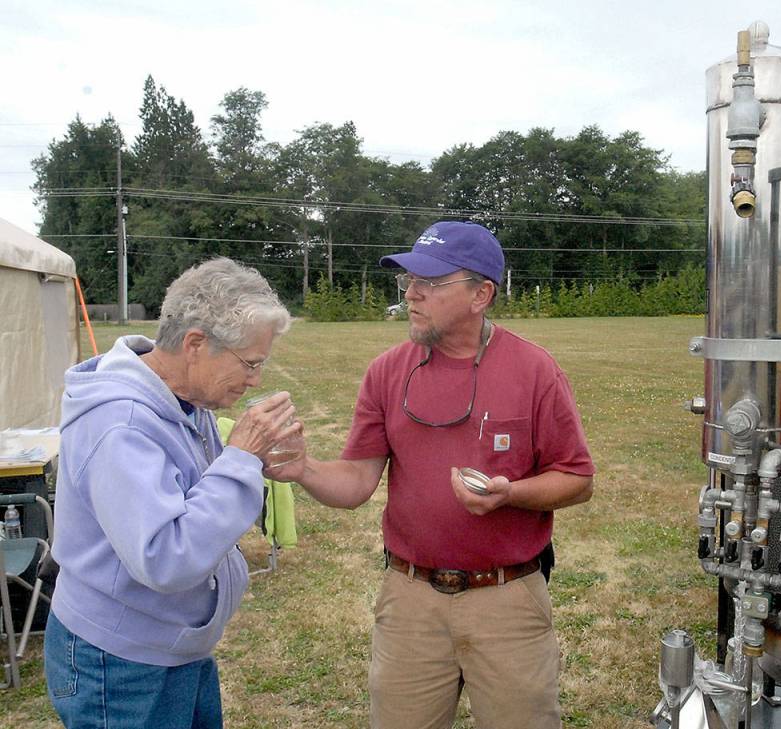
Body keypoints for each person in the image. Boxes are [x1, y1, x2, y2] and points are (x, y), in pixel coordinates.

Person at [277, 221, 595, 729]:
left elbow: (577, 478)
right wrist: (304, 469)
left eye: (430, 281)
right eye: (408, 280)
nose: (412, 294)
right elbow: (357, 481)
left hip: (508, 600)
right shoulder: (386, 371)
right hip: (409, 603)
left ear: (481, 294)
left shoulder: (534, 370)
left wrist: (509, 494)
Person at [44, 258, 303, 729]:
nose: (255, 380)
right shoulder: (119, 422)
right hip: (121, 665)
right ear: (196, 344)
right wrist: (240, 461)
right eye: (250, 363)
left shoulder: (185, 398)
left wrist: (250, 461)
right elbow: (166, 556)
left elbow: (192, 497)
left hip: (169, 646)